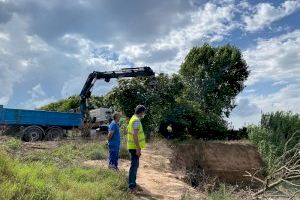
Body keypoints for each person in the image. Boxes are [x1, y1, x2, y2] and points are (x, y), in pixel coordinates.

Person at [127, 105, 146, 192]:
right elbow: (135, 135)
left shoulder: (132, 118)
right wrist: (138, 148)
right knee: (134, 166)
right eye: (144, 112)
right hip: (134, 148)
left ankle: (132, 184)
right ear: (141, 112)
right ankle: (132, 186)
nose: (144, 114)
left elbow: (128, 131)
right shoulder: (136, 121)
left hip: (132, 147)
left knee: (134, 165)